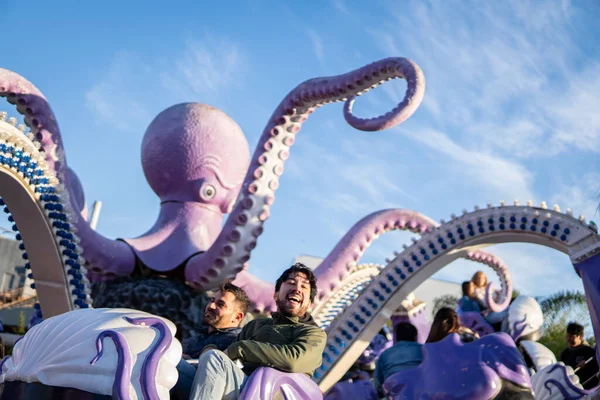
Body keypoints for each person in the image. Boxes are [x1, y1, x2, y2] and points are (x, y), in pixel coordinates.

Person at [189, 262, 327, 400]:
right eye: (291, 283)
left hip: (267, 393)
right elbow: (226, 353)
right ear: (276, 295)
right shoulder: (256, 325)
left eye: (304, 286)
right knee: (175, 364)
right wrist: (209, 349)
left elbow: (293, 361)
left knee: (214, 359)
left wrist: (242, 348)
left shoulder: (313, 334)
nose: (297, 289)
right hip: (238, 384)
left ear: (309, 303)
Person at [172, 282, 249, 400]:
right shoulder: (196, 337)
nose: (211, 306)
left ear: (237, 317)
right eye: (212, 300)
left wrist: (185, 360)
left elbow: (218, 370)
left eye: (220, 304)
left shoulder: (238, 340)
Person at [374, 322, 423, 394]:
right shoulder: (424, 349)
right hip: (421, 391)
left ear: (396, 337)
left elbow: (378, 384)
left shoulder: (384, 355)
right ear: (415, 336)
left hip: (395, 394)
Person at [560, 322, 599, 389]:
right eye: (568, 336)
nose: (569, 339)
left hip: (586, 389)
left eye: (572, 336)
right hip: (569, 388)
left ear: (580, 336)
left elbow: (596, 372)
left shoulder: (589, 351)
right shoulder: (565, 353)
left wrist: (586, 367)